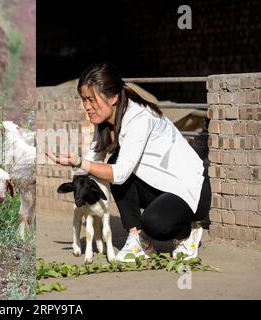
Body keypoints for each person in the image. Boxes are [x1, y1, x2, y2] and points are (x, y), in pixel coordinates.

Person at [47, 62, 211, 262]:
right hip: (159, 184)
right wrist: (76, 172)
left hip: (190, 190)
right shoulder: (106, 123)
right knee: (110, 164)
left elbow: (119, 173)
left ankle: (187, 231)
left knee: (156, 224)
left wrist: (79, 162)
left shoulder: (139, 117)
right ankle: (139, 238)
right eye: (84, 100)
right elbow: (93, 160)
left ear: (113, 97)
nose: (87, 107)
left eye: (91, 100)